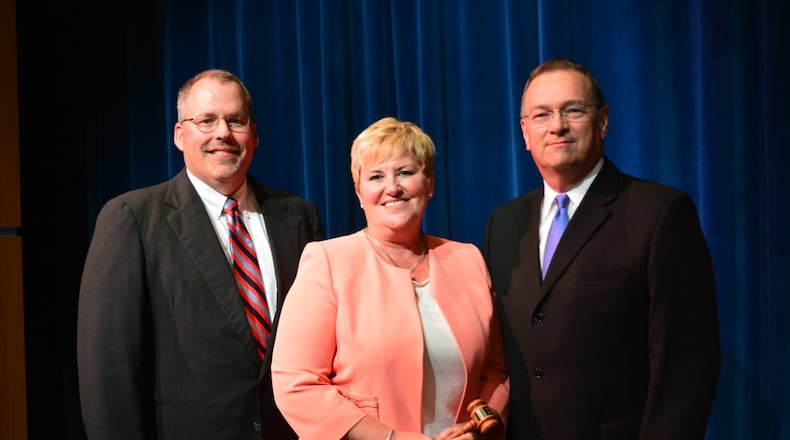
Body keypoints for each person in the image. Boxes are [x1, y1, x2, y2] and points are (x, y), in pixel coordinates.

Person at [77, 69, 325, 439]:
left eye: (235, 120)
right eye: (206, 120)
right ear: (180, 135)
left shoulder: (298, 216)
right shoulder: (133, 218)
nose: (222, 133)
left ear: (254, 135)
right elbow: (108, 369)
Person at [482, 57, 721, 439]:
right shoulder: (503, 224)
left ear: (603, 120)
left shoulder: (659, 214)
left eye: (572, 110)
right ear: (525, 134)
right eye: (541, 115)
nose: (557, 125)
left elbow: (687, 366)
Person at [271, 117, 509, 440]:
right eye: (376, 176)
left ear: (430, 183)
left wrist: (478, 432)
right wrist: (390, 438)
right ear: (359, 191)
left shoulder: (468, 259)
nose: (392, 187)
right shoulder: (327, 261)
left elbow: (496, 370)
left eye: (406, 172)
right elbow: (296, 382)